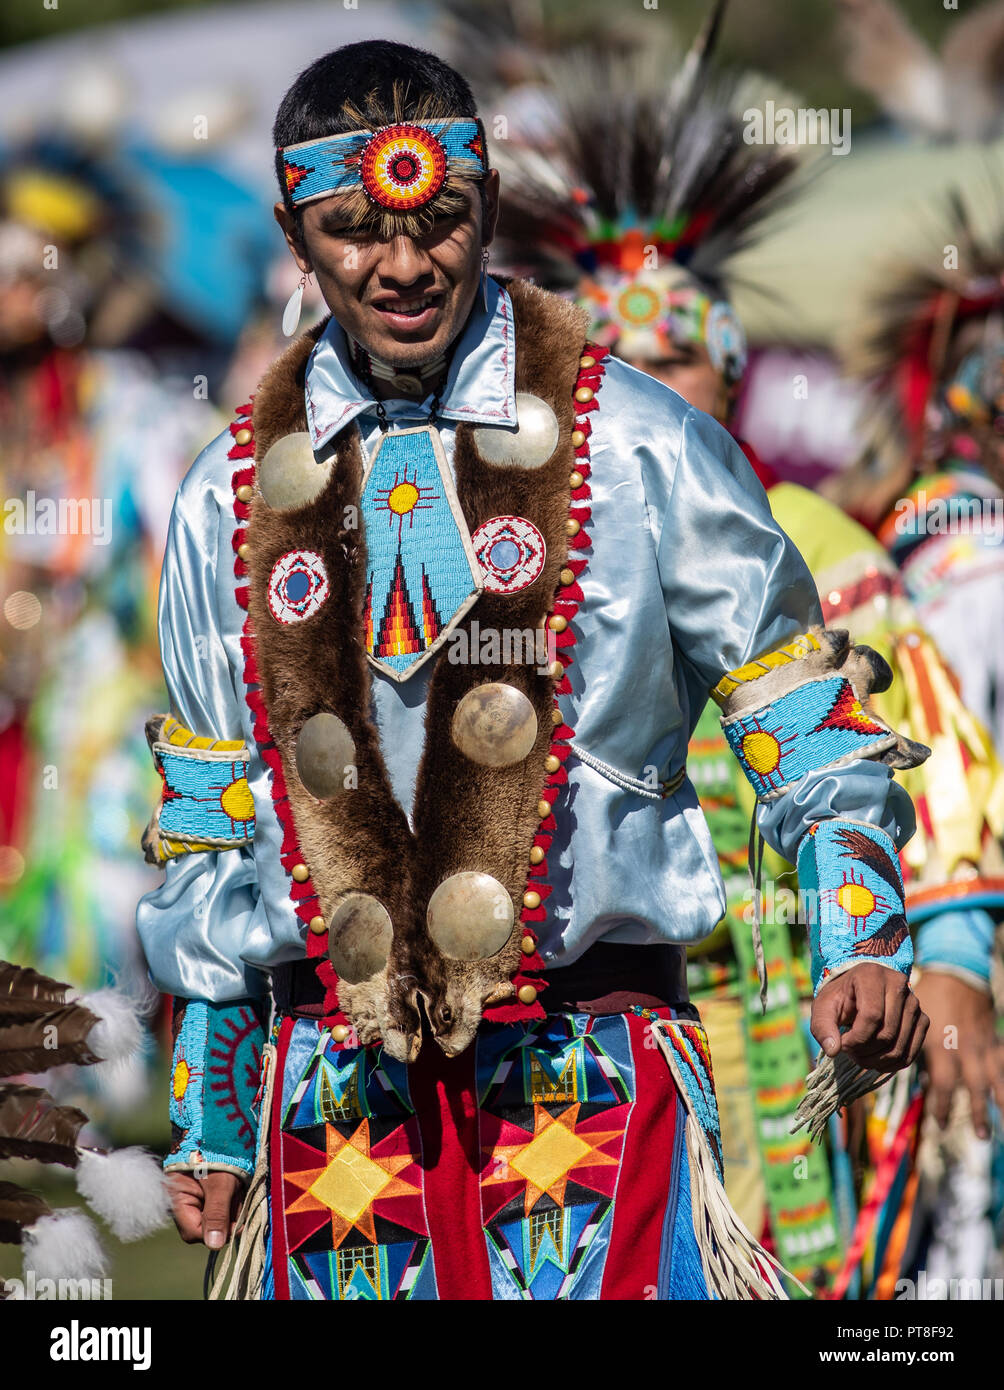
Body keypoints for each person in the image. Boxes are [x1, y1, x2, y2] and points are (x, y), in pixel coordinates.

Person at [137, 39, 929, 1302]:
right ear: (293, 234)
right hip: (332, 1116)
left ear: (489, 205)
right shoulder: (218, 502)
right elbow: (212, 819)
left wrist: (861, 935)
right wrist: (213, 1112)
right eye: (353, 230)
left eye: (438, 219)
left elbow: (798, 711)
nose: (403, 265)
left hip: (590, 1089)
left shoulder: (643, 443)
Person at [492, 35, 1004, 1296]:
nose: (642, 395)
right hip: (590, 1015)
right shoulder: (527, 560)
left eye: (671, 363)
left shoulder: (820, 549)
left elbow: (923, 770)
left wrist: (946, 949)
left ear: (726, 366)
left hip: (797, 994)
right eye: (610, 368)